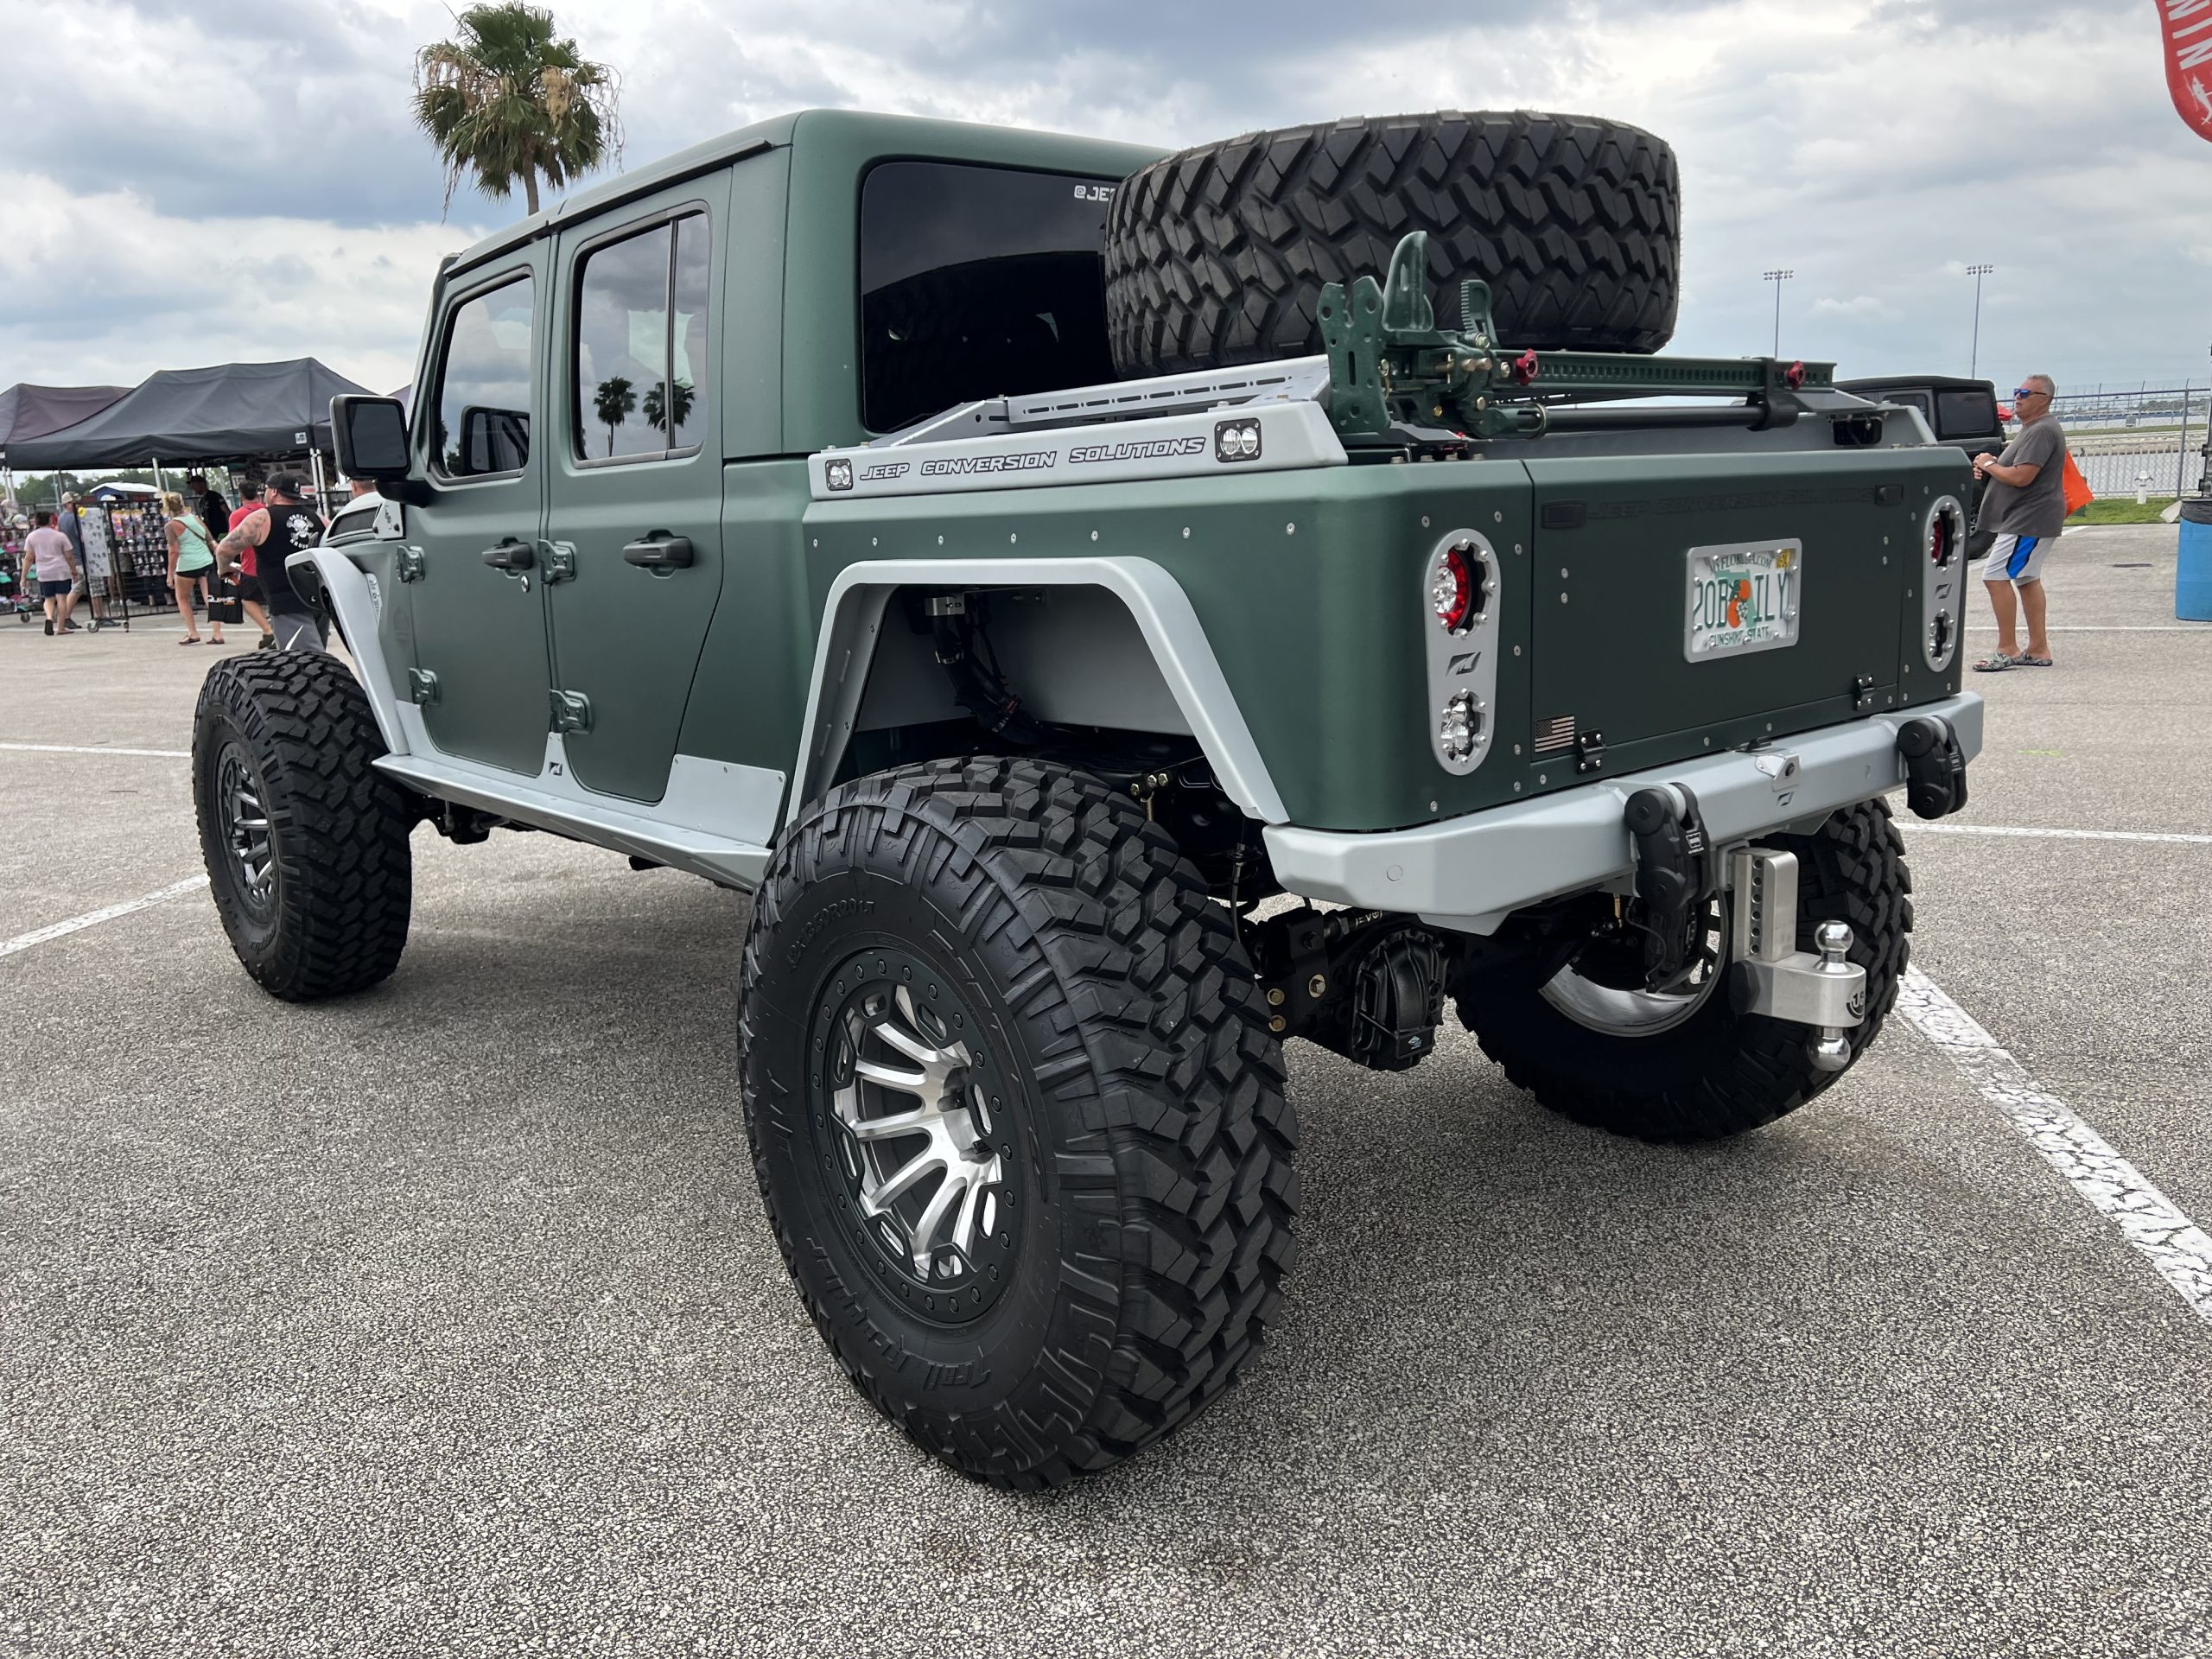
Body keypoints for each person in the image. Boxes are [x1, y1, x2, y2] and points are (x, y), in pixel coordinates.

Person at [1973, 374, 2068, 671]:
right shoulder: (2034, 429)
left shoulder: (2041, 430)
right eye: (2016, 391)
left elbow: (2021, 476)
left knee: (1995, 576)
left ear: (2045, 399)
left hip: (2028, 520)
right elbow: (2012, 470)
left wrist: (1989, 464)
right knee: (2027, 580)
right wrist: (1989, 467)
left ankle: (2007, 648)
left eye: (2025, 393)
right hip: (2032, 518)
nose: (2018, 397)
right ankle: (2038, 649)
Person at [215, 472, 327, 651]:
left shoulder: (263, 518)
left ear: (274, 492)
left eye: (266, 489)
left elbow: (224, 549)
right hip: (319, 601)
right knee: (320, 662)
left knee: (305, 664)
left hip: (287, 603)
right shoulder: (318, 518)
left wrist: (224, 568)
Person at [162, 489, 225, 645]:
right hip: (205, 560)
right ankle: (217, 634)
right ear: (182, 503)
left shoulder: (171, 526)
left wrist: (170, 574)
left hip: (187, 565)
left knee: (182, 598)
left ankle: (193, 633)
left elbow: (174, 551)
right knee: (209, 597)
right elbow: (210, 538)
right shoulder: (195, 518)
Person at [227, 479, 276, 649]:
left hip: (250, 562)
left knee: (248, 599)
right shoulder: (268, 511)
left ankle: (268, 630)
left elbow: (234, 540)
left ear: (240, 496)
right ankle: (275, 627)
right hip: (271, 559)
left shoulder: (238, 515)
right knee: (273, 596)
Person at [24, 509, 80, 637]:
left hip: (44, 572)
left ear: (37, 521)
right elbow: (69, 556)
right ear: (50, 520)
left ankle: (49, 617)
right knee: (61, 598)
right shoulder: (60, 536)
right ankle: (61, 627)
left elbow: (28, 558)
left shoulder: (31, 537)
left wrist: (24, 577)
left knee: (48, 599)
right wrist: (74, 571)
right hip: (61, 570)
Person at [188, 474, 230, 544]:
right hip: (210, 533)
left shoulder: (215, 496)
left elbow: (226, 511)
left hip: (221, 531)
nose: (193, 488)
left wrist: (229, 528)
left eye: (194, 484)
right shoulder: (201, 501)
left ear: (202, 484)